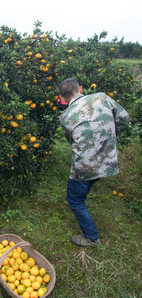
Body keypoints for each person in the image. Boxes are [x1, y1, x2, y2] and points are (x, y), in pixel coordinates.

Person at [59, 78, 130, 247]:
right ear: (81, 89)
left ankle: (91, 238)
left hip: (85, 167)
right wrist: (109, 135)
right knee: (86, 186)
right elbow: (124, 118)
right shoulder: (102, 97)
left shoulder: (65, 116)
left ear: (62, 98)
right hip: (108, 161)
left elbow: (71, 139)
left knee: (75, 199)